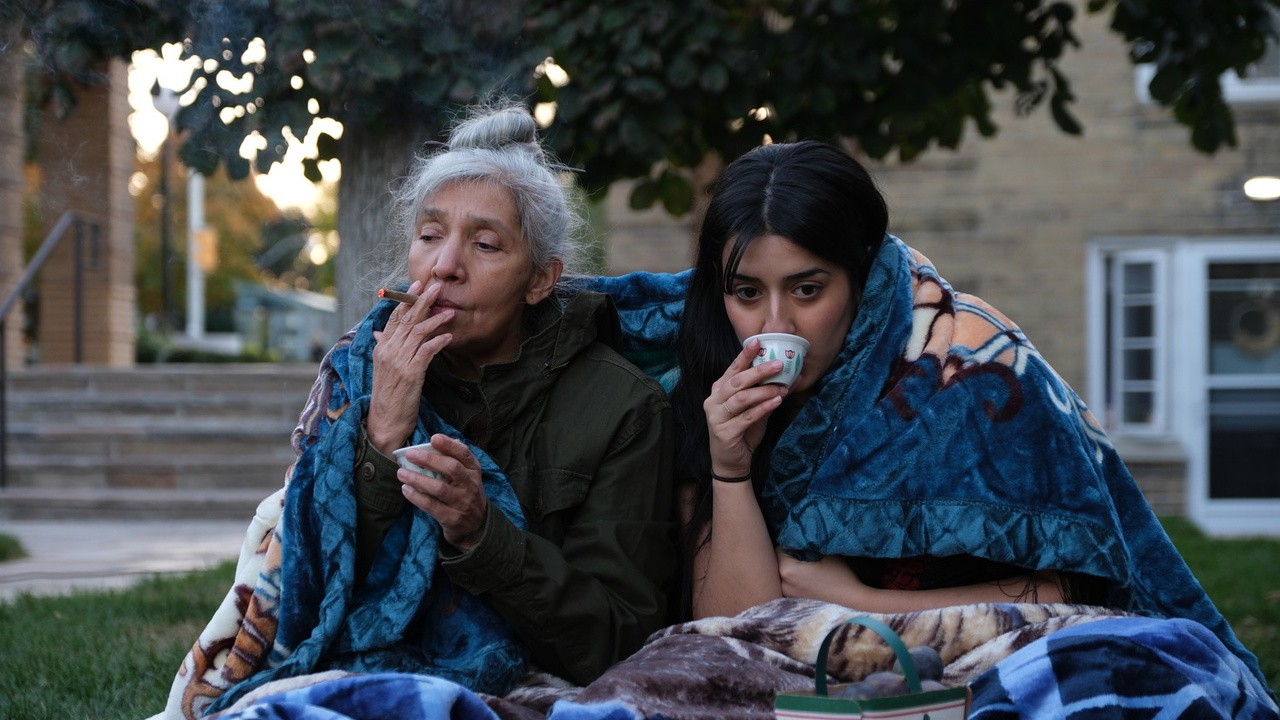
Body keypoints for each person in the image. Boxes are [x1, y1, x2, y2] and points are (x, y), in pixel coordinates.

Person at [591, 139, 1268, 689]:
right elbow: (733, 634)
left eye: (808, 289)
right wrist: (730, 468)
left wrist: (852, 602)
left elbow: (1069, 602)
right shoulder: (706, 383)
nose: (775, 325)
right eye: (746, 292)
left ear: (861, 278)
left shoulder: (968, 364)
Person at [157, 101, 676, 719]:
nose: (444, 265)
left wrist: (483, 534)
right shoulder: (359, 372)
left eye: (485, 244)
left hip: (536, 682)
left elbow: (618, 638)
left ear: (541, 279)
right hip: (364, 663)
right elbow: (314, 584)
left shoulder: (624, 407)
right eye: (429, 236)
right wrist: (383, 433)